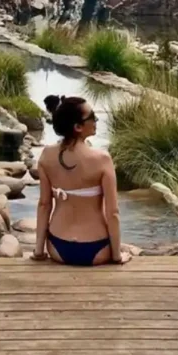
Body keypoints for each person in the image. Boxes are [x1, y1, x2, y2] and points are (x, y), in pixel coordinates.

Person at [32, 95, 129, 266]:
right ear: (77, 127)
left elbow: (44, 205)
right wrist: (117, 256)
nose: (96, 120)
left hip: (57, 247)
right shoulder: (102, 159)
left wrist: (39, 252)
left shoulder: (46, 155)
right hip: (97, 249)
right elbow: (112, 212)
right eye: (92, 117)